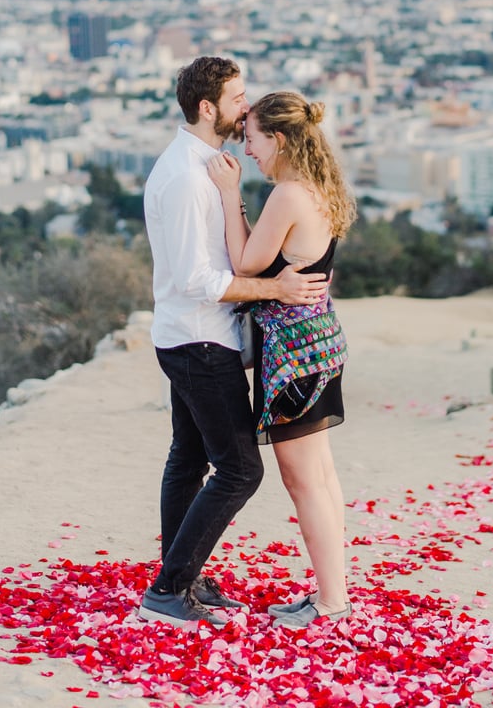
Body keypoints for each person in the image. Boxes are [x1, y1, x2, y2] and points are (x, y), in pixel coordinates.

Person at [140, 58, 330, 628]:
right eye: (237, 98)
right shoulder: (187, 177)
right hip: (199, 341)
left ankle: (183, 578)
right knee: (241, 470)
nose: (245, 108)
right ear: (207, 108)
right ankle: (170, 590)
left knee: (189, 460)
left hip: (193, 336)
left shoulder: (206, 167)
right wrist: (277, 286)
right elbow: (200, 279)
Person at [207, 90, 357, 629]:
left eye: (252, 139)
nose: (247, 150)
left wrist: (231, 198)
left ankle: (330, 603)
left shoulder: (289, 194)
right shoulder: (321, 186)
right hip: (318, 342)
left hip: (293, 354)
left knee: (304, 480)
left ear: (281, 138)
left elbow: (246, 262)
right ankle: (331, 594)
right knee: (321, 475)